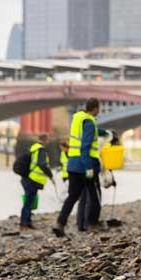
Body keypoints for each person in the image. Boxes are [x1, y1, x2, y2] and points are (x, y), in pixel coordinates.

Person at [52, 98, 101, 237]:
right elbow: (84, 147)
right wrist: (88, 167)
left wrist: (101, 131)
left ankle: (60, 223)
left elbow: (80, 138)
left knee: (72, 196)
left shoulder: (77, 119)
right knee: (93, 196)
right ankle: (93, 224)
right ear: (96, 108)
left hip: (72, 165)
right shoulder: (90, 123)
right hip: (85, 165)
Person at [20, 134, 52, 229]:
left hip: (28, 178)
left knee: (30, 201)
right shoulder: (41, 150)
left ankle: (28, 222)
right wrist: (50, 174)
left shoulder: (33, 149)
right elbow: (42, 164)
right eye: (48, 140)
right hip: (33, 179)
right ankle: (24, 223)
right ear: (45, 140)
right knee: (28, 202)